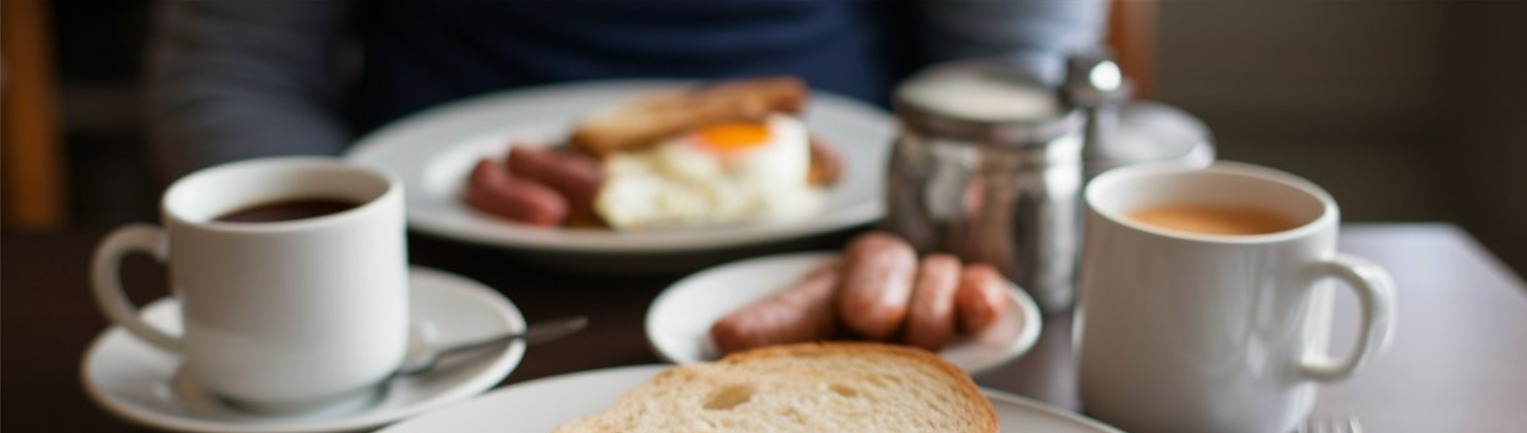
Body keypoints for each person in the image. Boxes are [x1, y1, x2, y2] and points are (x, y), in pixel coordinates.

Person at [141, 0, 1109, 185]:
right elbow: (230, 71)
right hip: (432, 276)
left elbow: (1014, 69)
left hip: (838, 254)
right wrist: (345, 252)